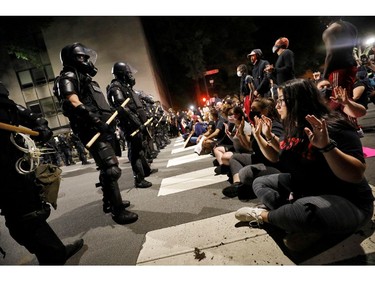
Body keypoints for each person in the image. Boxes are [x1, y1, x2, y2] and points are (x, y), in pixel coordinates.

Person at [235, 78, 374, 252]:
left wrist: (327, 147)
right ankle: (296, 220)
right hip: (309, 191)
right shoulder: (292, 127)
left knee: (305, 212)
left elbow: (356, 174)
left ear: (296, 102)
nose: (277, 106)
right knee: (260, 183)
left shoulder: (332, 125)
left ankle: (265, 216)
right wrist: (266, 136)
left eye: (280, 100)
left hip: (349, 201)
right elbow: (277, 157)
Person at [53, 43, 138, 225]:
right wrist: (96, 121)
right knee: (111, 168)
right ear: (71, 59)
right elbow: (72, 101)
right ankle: (118, 211)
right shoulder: (68, 76)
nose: (86, 60)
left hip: (102, 128)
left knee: (107, 168)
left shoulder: (86, 79)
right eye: (81, 57)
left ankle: (109, 201)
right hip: (90, 129)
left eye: (86, 57)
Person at [0, 82, 83, 264]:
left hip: (18, 166)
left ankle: (55, 252)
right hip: (5, 174)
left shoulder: (6, 105)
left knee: (31, 211)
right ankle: (53, 255)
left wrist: (42, 126)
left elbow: (29, 116)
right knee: (23, 216)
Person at [107, 61, 157, 189]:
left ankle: (145, 170)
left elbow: (136, 106)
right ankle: (138, 179)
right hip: (129, 125)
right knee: (134, 150)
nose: (130, 75)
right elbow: (122, 108)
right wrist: (137, 123)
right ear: (121, 74)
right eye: (128, 73)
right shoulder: (116, 88)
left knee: (140, 147)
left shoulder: (126, 87)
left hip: (136, 123)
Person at [222, 97, 283, 199]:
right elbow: (250, 148)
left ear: (265, 110)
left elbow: (274, 157)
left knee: (245, 173)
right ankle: (237, 184)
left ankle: (247, 188)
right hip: (259, 159)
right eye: (251, 109)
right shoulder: (258, 125)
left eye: (254, 109)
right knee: (235, 158)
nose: (251, 112)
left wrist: (262, 135)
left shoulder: (274, 125)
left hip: (272, 165)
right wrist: (241, 133)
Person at [322, 20, 358, 111]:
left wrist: (324, 75)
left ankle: (347, 124)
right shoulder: (352, 27)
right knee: (347, 99)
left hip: (338, 69)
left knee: (338, 100)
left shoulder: (328, 31)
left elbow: (330, 54)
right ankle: (352, 123)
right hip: (351, 66)